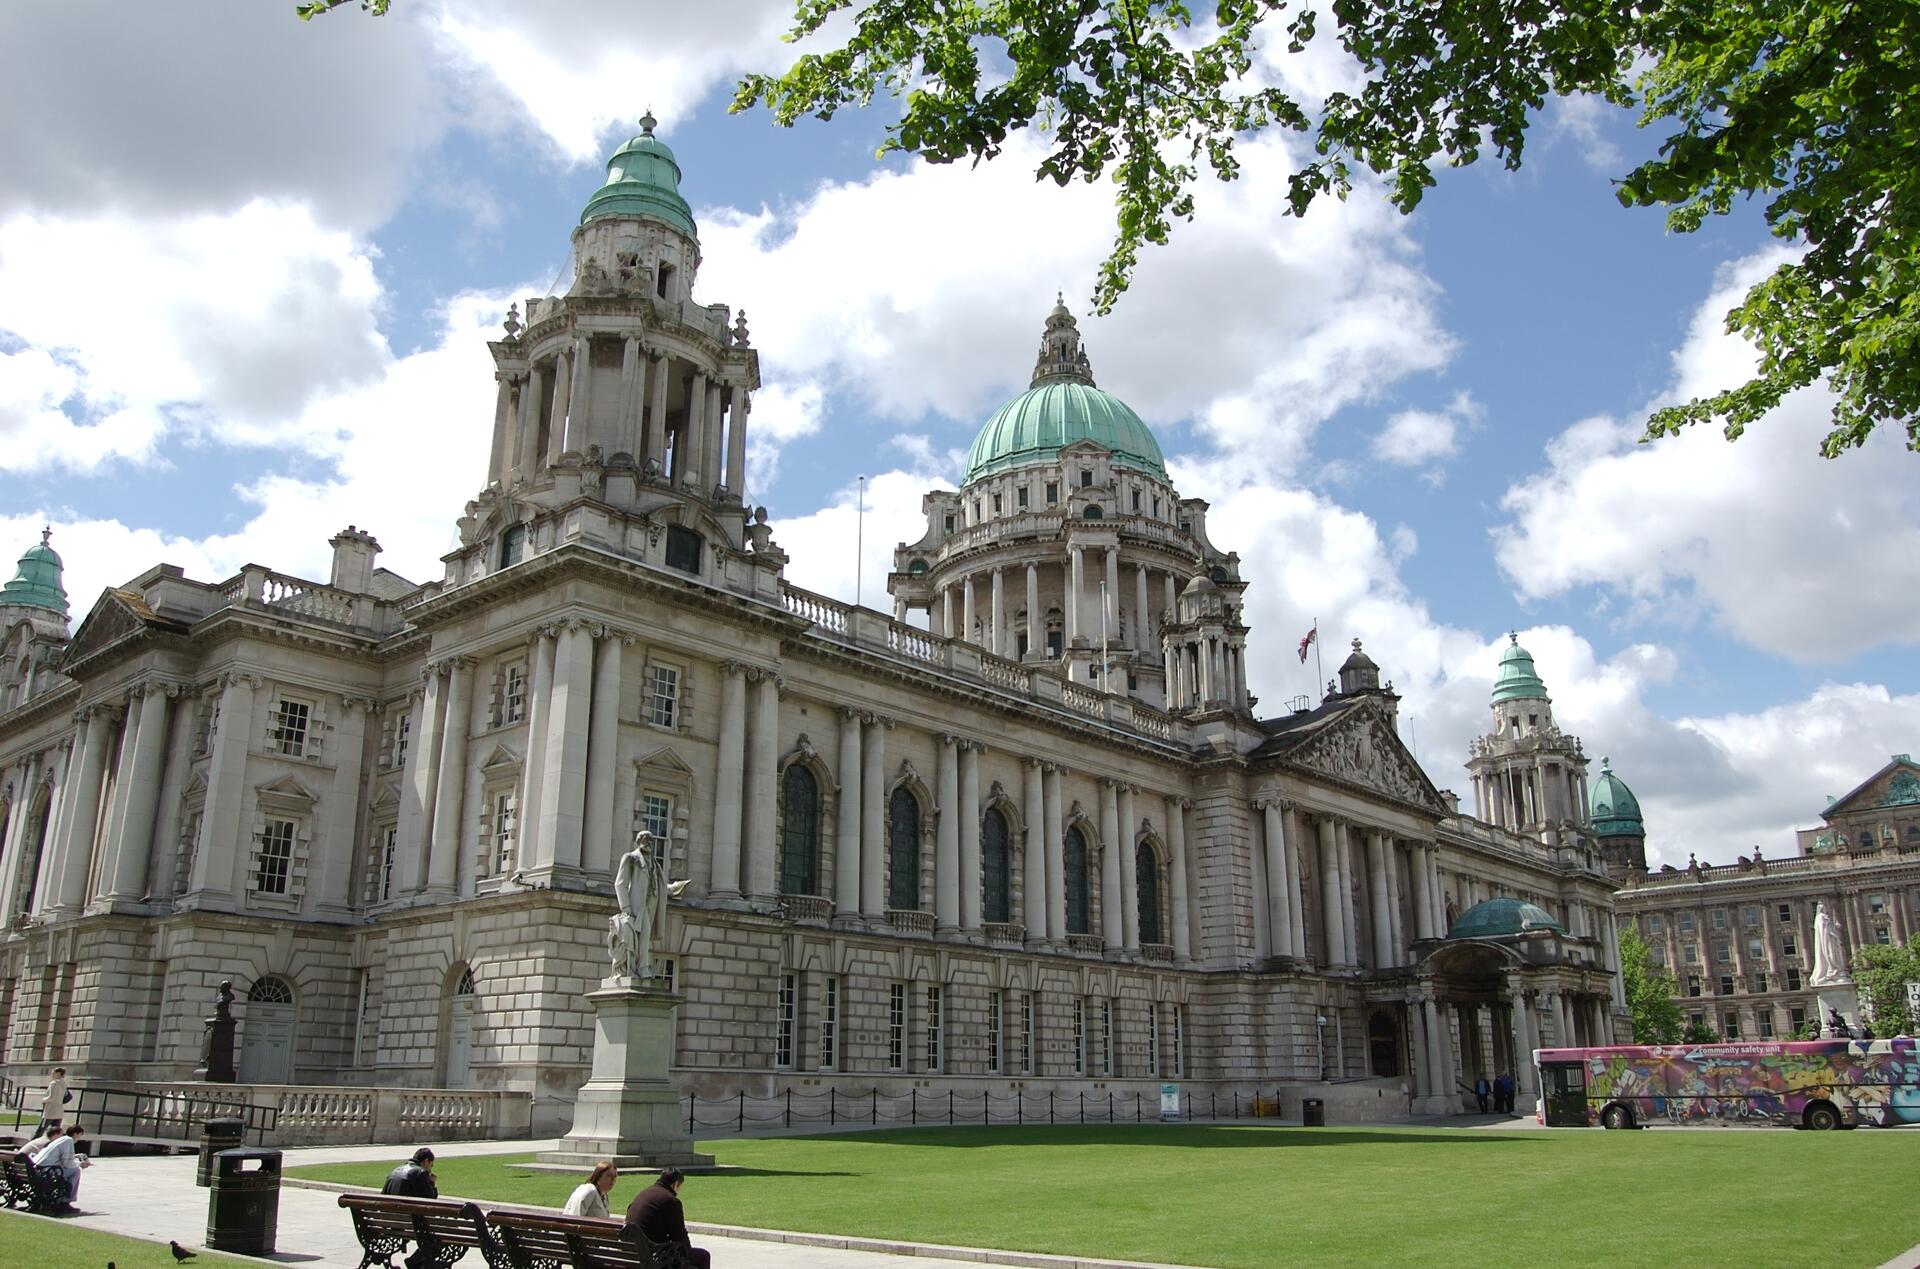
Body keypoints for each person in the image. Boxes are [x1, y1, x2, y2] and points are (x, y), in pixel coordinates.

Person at [623, 1168, 710, 1269]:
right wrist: (687, 1252)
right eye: (679, 1188)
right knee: (703, 1256)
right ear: (675, 1184)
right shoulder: (671, 1201)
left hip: (630, 1254)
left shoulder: (643, 1194)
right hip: (651, 1258)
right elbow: (679, 1236)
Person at [31, 1123, 87, 1209]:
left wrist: (75, 1157)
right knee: (76, 1171)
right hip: (47, 1172)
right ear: (75, 1134)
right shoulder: (68, 1140)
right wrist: (80, 1164)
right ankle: (66, 1200)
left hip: (37, 1169)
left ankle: (62, 1198)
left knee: (71, 1170)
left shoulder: (60, 1140)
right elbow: (68, 1163)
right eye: (79, 1135)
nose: (79, 1139)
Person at [41, 1066, 69, 1132]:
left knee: (40, 1131)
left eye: (53, 1073)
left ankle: (33, 1142)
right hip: (59, 1111)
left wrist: (43, 1100)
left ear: (58, 1073)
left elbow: (52, 1097)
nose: (51, 1075)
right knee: (56, 1132)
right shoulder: (64, 1083)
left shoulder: (54, 1083)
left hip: (50, 1111)